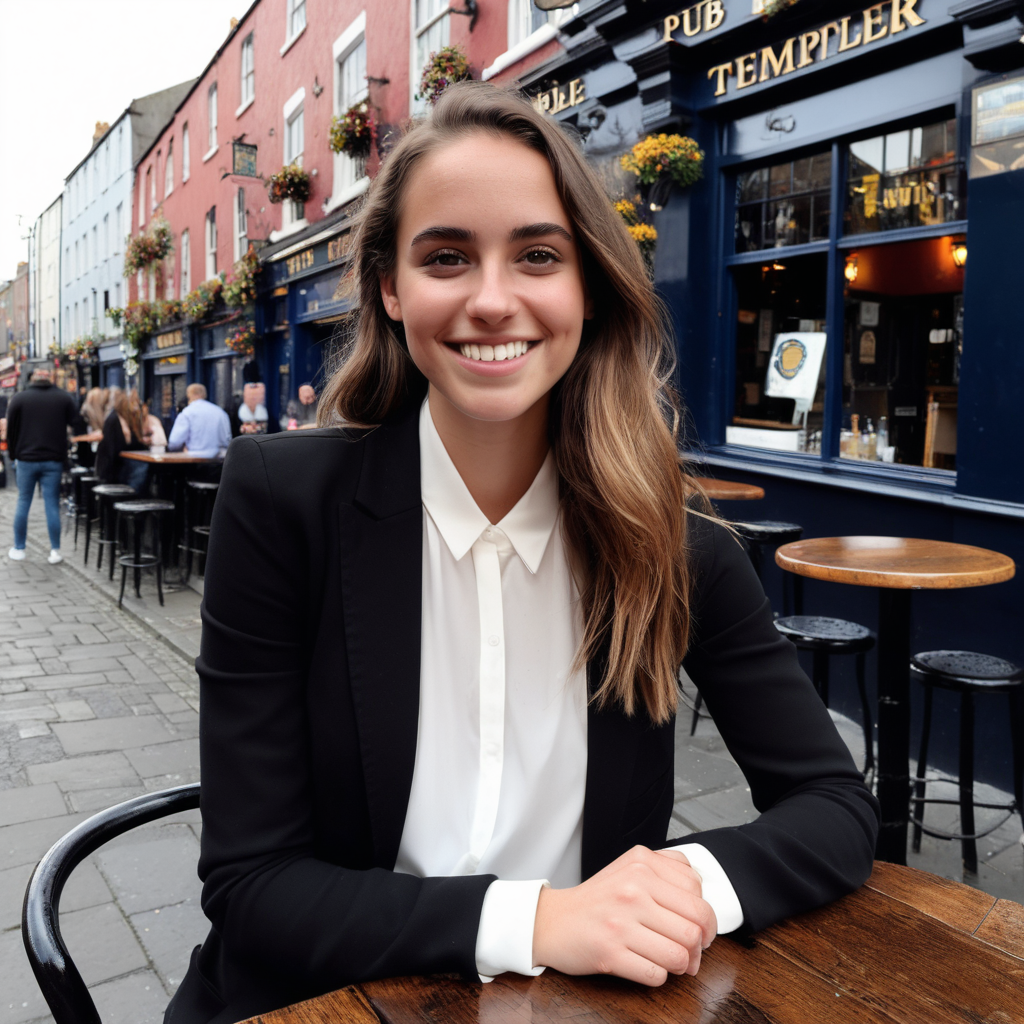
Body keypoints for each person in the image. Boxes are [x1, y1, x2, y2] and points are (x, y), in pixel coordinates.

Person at [167, 84, 878, 1023]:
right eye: (447, 257)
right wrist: (544, 920)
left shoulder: (676, 542)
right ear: (391, 287)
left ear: (586, 284)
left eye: (538, 255)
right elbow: (255, 887)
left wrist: (678, 890)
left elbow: (833, 805)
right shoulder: (280, 504)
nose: (493, 301)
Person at [6, 368, 76, 564]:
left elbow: (10, 431)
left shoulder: (19, 399)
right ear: (51, 379)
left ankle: (19, 548)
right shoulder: (63, 398)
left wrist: (14, 455)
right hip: (53, 460)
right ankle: (55, 551)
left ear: (32, 379)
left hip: (26, 459)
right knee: (51, 504)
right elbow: (76, 422)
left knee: (23, 501)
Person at [95, 389, 149, 493]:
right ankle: (134, 498)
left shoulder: (127, 420)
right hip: (115, 471)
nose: (137, 406)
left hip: (121, 467)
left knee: (143, 467)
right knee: (141, 467)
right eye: (135, 403)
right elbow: (112, 452)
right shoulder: (114, 420)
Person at [167, 384, 229, 457]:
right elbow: (227, 440)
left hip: (194, 460)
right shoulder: (220, 412)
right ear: (204, 394)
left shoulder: (187, 413)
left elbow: (174, 442)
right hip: (218, 461)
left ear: (189, 395)